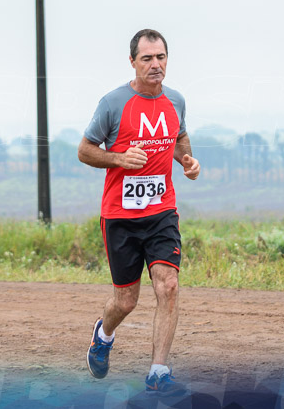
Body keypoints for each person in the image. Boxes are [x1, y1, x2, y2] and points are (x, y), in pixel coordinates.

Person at [77, 29, 200, 395]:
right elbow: (84, 150)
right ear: (132, 61)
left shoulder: (175, 100)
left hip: (162, 211)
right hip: (121, 216)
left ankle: (159, 371)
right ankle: (104, 334)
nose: (155, 65)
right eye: (147, 58)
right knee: (126, 300)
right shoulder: (114, 103)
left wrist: (188, 161)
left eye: (161, 57)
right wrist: (118, 158)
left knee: (169, 285)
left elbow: (179, 138)